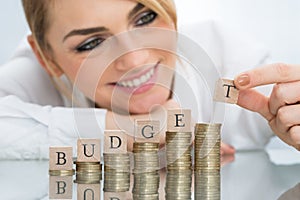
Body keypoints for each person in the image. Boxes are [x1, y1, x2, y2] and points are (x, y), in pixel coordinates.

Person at [0, 0, 298, 159]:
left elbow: (280, 108)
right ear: (47, 59)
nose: (134, 60)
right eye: (91, 44)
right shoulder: (31, 77)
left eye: (144, 19)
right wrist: (137, 131)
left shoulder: (222, 56)